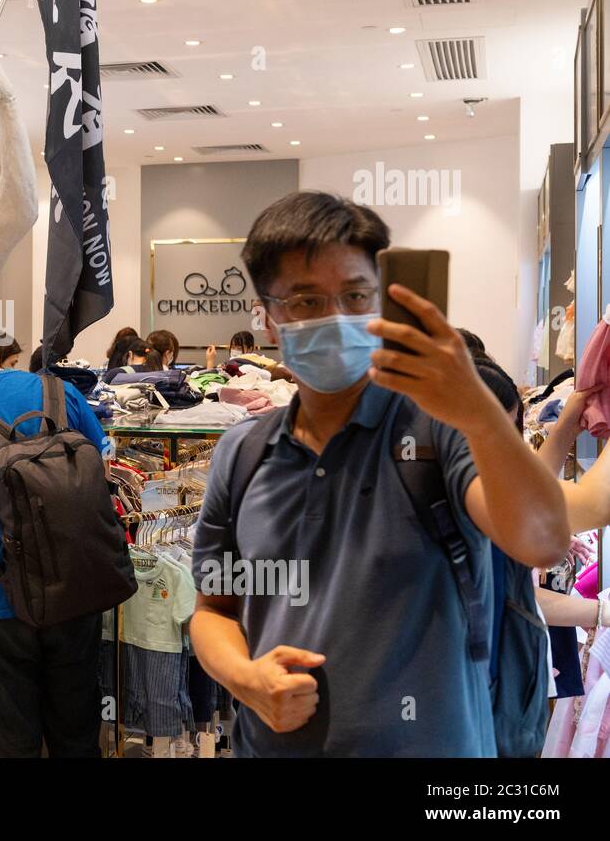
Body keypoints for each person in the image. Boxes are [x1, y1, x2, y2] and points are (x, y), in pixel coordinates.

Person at [189, 191, 568, 757]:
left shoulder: (439, 429)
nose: (336, 317)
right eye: (306, 300)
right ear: (267, 319)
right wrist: (245, 679)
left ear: (381, 303)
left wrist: (476, 407)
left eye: (355, 296)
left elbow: (542, 541)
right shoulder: (242, 454)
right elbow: (213, 610)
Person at [0, 311, 108, 757]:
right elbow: (99, 470)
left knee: (11, 740)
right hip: (76, 592)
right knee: (78, 736)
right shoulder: (57, 391)